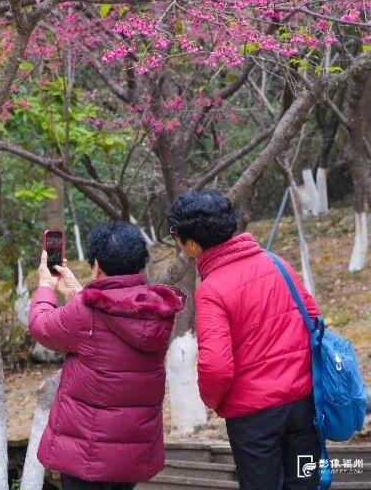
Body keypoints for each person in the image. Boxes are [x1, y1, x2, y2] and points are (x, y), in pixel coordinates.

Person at [168, 189, 321, 490]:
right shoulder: (277, 263)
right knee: (305, 484)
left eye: (176, 235)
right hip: (303, 406)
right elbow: (314, 321)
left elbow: (216, 367)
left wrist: (214, 401)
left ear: (193, 244)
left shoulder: (211, 290)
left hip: (254, 420)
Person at [29, 222, 184, 490]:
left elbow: (41, 326)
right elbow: (112, 314)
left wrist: (45, 285)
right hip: (133, 454)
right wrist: (80, 293)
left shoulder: (85, 311)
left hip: (86, 455)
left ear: (97, 265)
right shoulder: (155, 308)